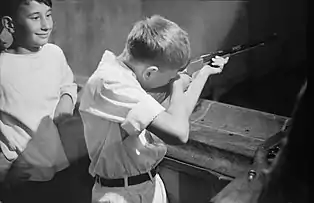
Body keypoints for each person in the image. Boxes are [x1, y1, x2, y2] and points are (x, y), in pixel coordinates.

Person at [79, 15, 229, 203]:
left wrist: (203, 74)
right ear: (150, 72)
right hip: (120, 195)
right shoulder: (112, 84)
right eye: (168, 77)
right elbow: (179, 133)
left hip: (147, 186)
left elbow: (176, 116)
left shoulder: (127, 79)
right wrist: (176, 84)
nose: (170, 81)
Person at [0, 0, 77, 202]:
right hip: (21, 172)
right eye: (35, 17)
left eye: (49, 15)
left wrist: (66, 101)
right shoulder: (3, 66)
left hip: (60, 165)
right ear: (10, 25)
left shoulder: (54, 54)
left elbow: (67, 85)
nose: (46, 24)